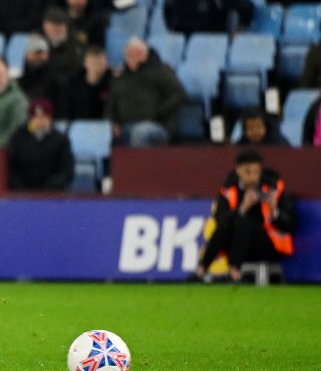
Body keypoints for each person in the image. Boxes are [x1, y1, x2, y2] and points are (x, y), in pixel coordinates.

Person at [193, 150, 296, 283]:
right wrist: (242, 208)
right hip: (235, 245)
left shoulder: (274, 188)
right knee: (227, 225)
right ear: (238, 170)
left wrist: (274, 211)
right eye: (247, 172)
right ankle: (201, 270)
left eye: (256, 172)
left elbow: (291, 224)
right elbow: (219, 220)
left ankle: (234, 272)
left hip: (267, 246)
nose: (252, 176)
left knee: (243, 223)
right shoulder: (228, 190)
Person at [106, 37, 187, 147]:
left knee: (141, 132)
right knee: (103, 133)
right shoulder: (120, 78)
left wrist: (157, 110)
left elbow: (180, 95)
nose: (133, 56)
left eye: (137, 53)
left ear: (145, 55)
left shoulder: (161, 71)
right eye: (129, 53)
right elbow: (111, 104)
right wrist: (112, 123)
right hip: (126, 125)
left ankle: (137, 164)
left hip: (158, 126)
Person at [6, 98, 74, 191]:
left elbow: (66, 170)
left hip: (52, 194)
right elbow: (10, 168)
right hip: (21, 194)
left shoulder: (60, 140)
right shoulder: (18, 137)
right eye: (36, 116)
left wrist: (49, 188)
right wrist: (21, 189)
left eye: (43, 116)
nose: (39, 120)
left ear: (50, 118)